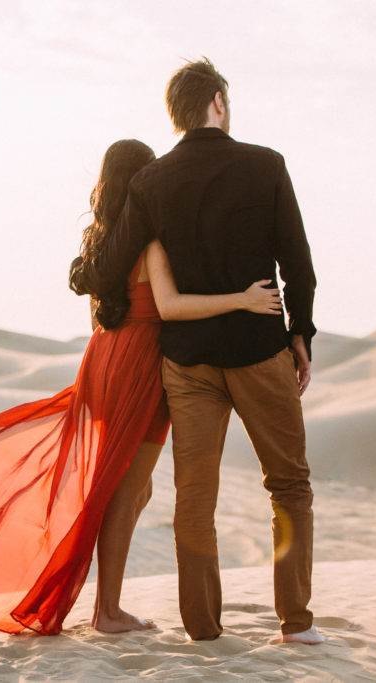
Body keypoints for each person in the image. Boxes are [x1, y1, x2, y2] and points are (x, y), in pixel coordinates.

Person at [0, 139, 282, 636]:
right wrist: (242, 300)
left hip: (104, 357)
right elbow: (168, 308)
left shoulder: (99, 244)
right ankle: (108, 612)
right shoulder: (148, 242)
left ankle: (107, 605)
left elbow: (107, 312)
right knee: (126, 490)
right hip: (139, 366)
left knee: (132, 487)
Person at [70, 58, 323, 644]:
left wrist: (80, 271)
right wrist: (301, 335)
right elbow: (298, 264)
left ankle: (202, 629)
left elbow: (107, 268)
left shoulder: (151, 183)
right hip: (260, 349)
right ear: (217, 102)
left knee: (195, 497)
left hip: (185, 363)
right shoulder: (267, 165)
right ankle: (296, 623)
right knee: (288, 486)